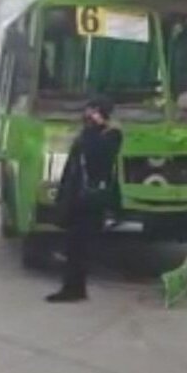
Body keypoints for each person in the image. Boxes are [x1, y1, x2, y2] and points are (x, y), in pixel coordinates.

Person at [47, 96, 122, 302]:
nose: (88, 115)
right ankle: (74, 288)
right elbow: (73, 167)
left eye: (93, 112)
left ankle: (73, 289)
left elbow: (97, 160)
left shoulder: (111, 135)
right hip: (77, 197)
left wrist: (94, 129)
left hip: (91, 200)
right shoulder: (87, 135)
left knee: (79, 246)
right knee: (73, 245)